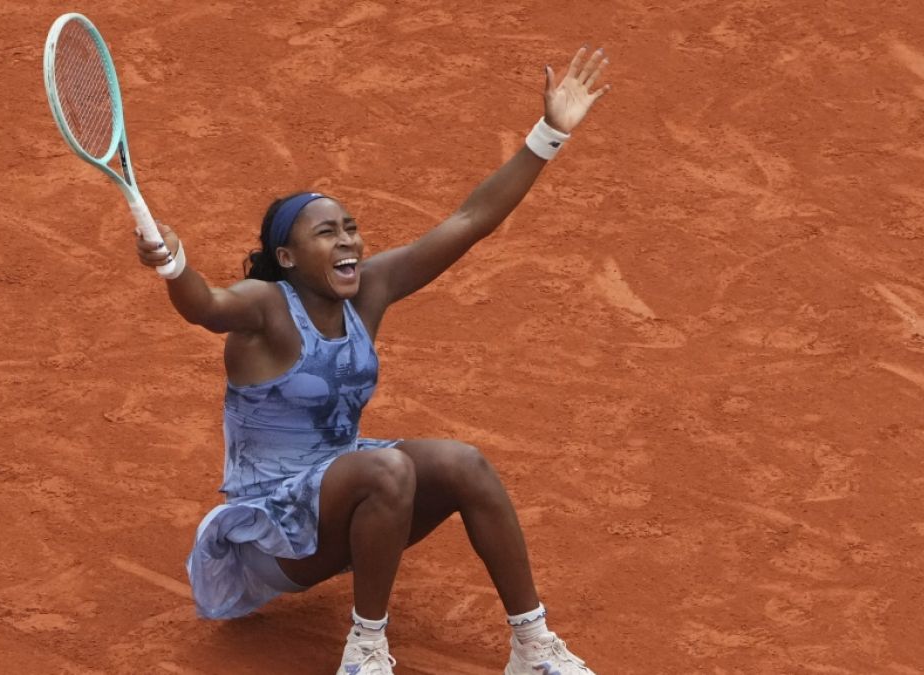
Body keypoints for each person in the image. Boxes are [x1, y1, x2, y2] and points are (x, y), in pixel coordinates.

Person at [136, 44, 611, 675]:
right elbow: (204, 304)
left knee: (465, 465)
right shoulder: (265, 308)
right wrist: (172, 263)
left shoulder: (371, 290)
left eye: (351, 227)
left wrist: (549, 133)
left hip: (342, 496)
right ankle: (365, 651)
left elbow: (470, 220)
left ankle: (532, 646)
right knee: (387, 471)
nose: (349, 241)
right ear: (286, 258)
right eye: (326, 232)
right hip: (269, 537)